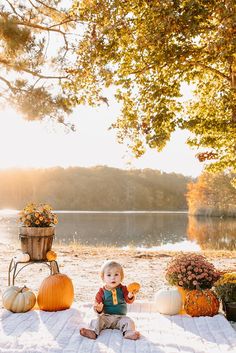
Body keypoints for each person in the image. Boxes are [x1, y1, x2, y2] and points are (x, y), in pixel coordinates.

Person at [80, 260, 140, 340]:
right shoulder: (101, 292)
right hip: (106, 317)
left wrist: (130, 295)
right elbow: (97, 304)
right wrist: (98, 309)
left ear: (121, 277)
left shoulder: (123, 289)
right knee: (96, 320)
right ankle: (93, 332)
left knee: (129, 321)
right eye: (109, 275)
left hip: (120, 317)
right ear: (103, 278)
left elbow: (128, 300)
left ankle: (128, 332)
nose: (113, 277)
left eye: (116, 274)